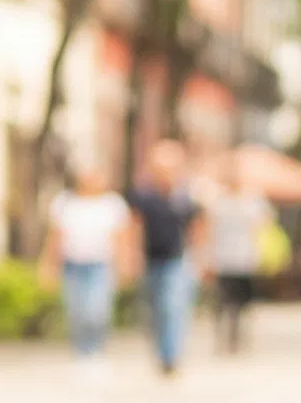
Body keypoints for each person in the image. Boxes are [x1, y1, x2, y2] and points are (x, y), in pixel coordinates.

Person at [41, 167, 133, 362]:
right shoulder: (65, 203)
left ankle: (96, 349)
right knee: (76, 310)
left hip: (101, 264)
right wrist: (49, 265)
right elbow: (55, 236)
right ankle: (81, 351)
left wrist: (125, 264)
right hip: (72, 264)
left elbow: (122, 237)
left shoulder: (113, 204)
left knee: (97, 310)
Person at [128, 141, 200, 376]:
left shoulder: (186, 197)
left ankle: (171, 356)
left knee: (173, 307)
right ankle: (161, 352)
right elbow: (134, 226)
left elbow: (198, 225)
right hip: (150, 260)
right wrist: (132, 256)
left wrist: (201, 254)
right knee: (154, 311)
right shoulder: (144, 196)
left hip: (177, 260)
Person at [203, 155, 272, 355]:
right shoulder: (216, 201)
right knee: (223, 301)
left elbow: (264, 223)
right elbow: (208, 229)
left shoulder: (251, 200)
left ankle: (237, 335)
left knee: (242, 301)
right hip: (223, 259)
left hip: (244, 258)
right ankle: (226, 336)